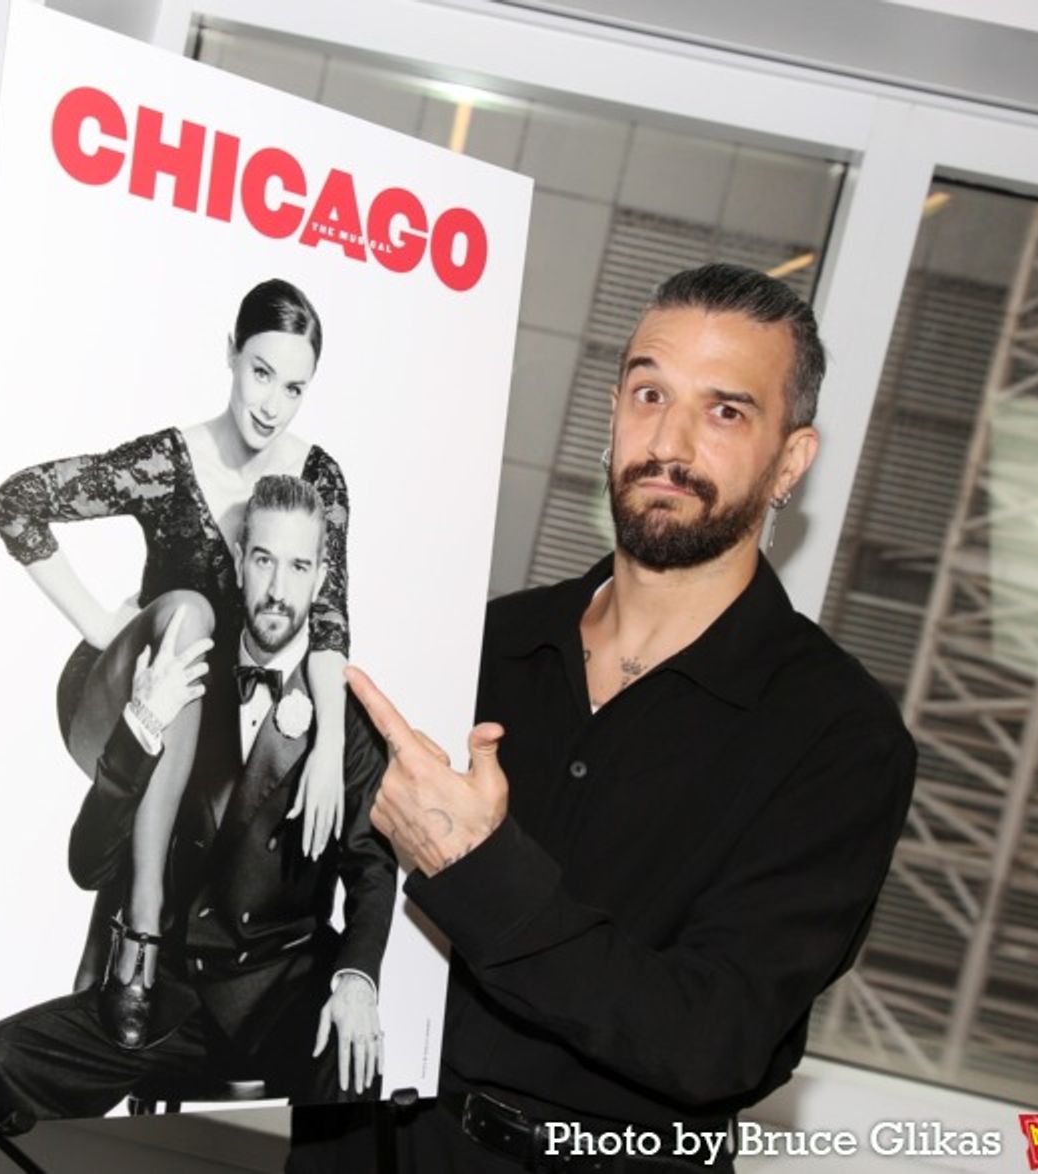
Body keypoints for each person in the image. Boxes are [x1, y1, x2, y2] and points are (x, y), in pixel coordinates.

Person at [289, 263, 918, 1172]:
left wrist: (476, 870)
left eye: (726, 410)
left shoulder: (841, 740)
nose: (670, 439)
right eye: (650, 392)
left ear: (791, 460)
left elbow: (713, 1037)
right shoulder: (480, 644)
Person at [0, 476, 395, 1126]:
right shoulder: (177, 677)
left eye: (299, 566)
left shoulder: (344, 724)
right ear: (240, 558)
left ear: (320, 575)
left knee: (354, 1062)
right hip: (166, 998)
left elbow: (372, 872)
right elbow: (87, 866)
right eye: (265, 559)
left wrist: (356, 982)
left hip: (282, 995)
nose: (278, 587)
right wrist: (141, 728)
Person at [0, 278, 351, 1042]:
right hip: (126, 700)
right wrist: (99, 624)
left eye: (294, 387)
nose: (272, 405)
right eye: (260, 373)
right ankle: (142, 921)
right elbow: (15, 501)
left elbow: (326, 616)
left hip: (210, 733)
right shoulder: (166, 462)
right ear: (230, 355)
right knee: (189, 613)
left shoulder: (316, 479)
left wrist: (328, 751)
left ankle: (159, 1006)